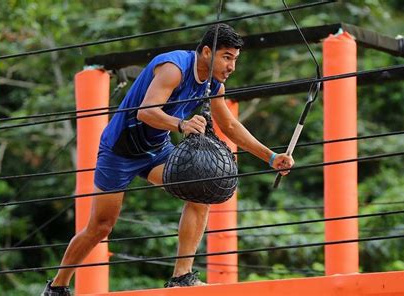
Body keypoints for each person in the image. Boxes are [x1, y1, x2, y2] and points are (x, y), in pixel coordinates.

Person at [42, 23, 294, 295]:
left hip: (155, 150)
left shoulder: (214, 85)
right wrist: (182, 125)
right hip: (120, 151)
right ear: (207, 52)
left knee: (202, 189)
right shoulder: (174, 67)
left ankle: (182, 276)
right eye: (226, 57)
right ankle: (57, 287)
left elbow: (230, 127)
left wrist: (270, 157)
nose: (232, 66)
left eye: (235, 59)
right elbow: (145, 112)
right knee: (101, 227)